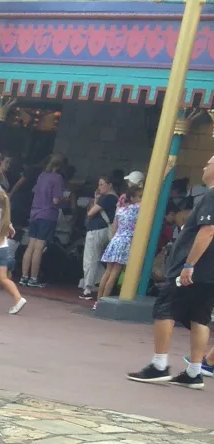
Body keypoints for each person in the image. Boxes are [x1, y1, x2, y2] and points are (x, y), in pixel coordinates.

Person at [127, 150, 214, 389]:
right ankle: (194, 370)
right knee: (200, 317)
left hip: (194, 267)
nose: (205, 167)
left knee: (165, 308)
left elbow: (207, 230)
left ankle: (159, 364)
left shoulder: (211, 196)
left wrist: (189, 264)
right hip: (210, 272)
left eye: (209, 164)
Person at [21, 156, 68, 287]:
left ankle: (24, 276)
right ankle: (34, 278)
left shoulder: (42, 175)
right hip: (47, 214)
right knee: (39, 247)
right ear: (59, 167)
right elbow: (56, 200)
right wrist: (65, 200)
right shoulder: (58, 178)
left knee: (31, 245)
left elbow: (35, 191)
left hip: (35, 212)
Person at [95, 184, 141, 305]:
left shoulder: (121, 210)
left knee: (107, 272)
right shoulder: (139, 208)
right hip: (126, 241)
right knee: (115, 273)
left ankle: (98, 301)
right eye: (139, 196)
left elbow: (114, 228)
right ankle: (105, 301)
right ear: (133, 198)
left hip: (116, 240)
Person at [78, 177, 116, 300]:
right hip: (107, 230)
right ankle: (97, 282)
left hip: (97, 231)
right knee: (100, 260)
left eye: (102, 184)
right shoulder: (116, 198)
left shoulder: (107, 198)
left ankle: (87, 288)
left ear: (109, 185)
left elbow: (91, 212)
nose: (99, 187)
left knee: (90, 259)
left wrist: (96, 200)